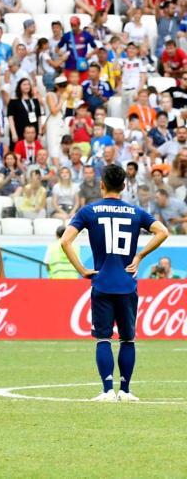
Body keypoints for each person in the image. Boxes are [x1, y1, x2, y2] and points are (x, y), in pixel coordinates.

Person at [60, 163, 169, 402]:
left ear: (102, 184)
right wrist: (139, 256)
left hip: (101, 281)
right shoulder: (136, 212)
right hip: (127, 283)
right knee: (127, 339)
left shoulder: (89, 211)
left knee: (103, 338)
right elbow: (162, 232)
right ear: (123, 186)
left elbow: (65, 241)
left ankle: (107, 390)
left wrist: (82, 270)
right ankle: (126, 390)